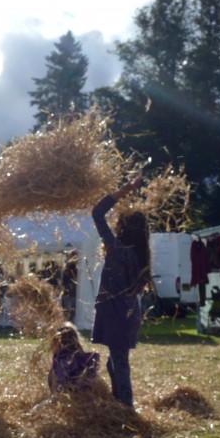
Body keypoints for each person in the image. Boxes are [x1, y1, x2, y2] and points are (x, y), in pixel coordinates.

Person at [90, 173, 151, 407]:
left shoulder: (116, 250)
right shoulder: (141, 256)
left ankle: (125, 407)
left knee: (119, 361)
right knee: (113, 362)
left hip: (116, 312)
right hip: (127, 312)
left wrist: (124, 190)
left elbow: (97, 213)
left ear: (123, 229)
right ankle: (119, 403)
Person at [48, 322, 101, 395]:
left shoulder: (60, 359)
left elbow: (61, 380)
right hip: (83, 393)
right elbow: (94, 358)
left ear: (58, 343)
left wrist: (56, 395)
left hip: (68, 393)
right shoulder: (80, 356)